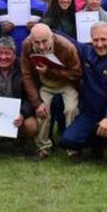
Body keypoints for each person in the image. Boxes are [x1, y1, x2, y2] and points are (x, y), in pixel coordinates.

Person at [59, 22, 107, 166]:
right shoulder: (88, 51)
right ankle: (97, 143)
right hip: (91, 112)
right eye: (95, 40)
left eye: (103, 39)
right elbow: (70, 41)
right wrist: (47, 31)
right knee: (67, 141)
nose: (99, 44)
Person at [20, 24, 82, 160]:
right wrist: (36, 103)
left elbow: (76, 74)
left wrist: (50, 71)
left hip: (67, 84)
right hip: (45, 85)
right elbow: (26, 75)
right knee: (42, 111)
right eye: (37, 42)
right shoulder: (26, 45)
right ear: (31, 40)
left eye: (44, 41)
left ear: (51, 38)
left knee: (71, 109)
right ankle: (42, 148)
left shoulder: (67, 47)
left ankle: (73, 148)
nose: (41, 46)